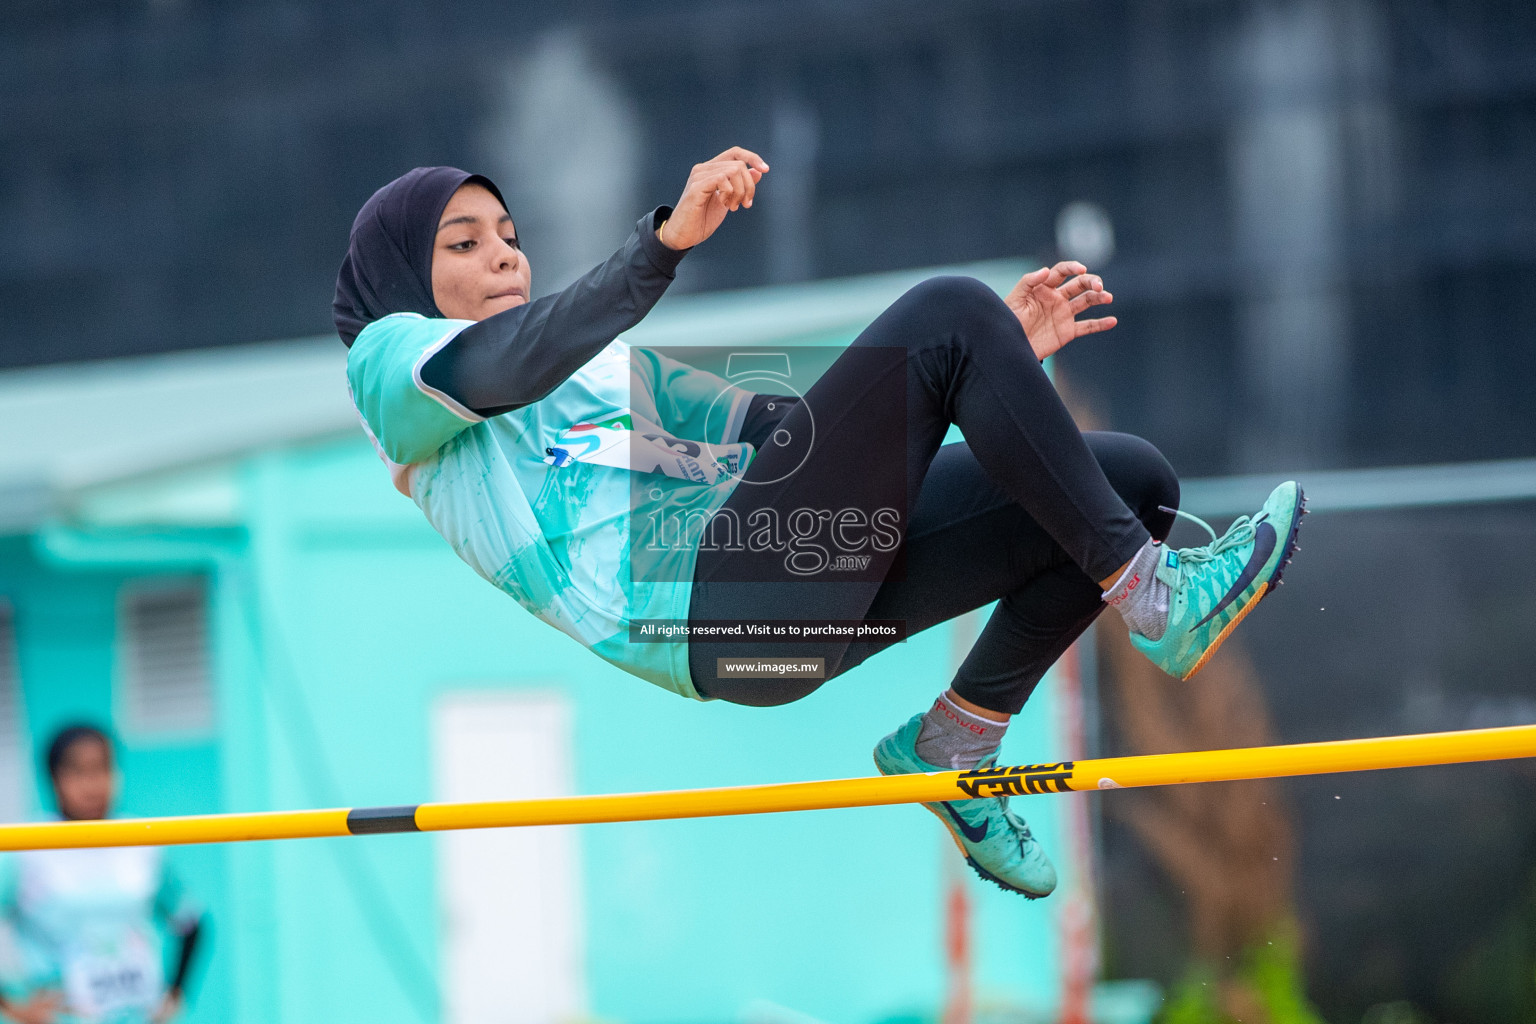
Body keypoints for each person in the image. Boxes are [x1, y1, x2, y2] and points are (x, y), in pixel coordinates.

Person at [334, 147, 1304, 899]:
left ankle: (954, 745)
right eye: (464, 243)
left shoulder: (590, 373)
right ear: (405, 280)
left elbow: (787, 440)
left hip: (779, 583)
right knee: (948, 312)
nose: (503, 251)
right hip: (714, 607)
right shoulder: (392, 366)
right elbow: (506, 363)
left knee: (1125, 480)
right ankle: (1157, 600)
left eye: (507, 232)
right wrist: (661, 243)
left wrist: (994, 371)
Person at [0, 726, 204, 1024]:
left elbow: (192, 922)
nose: (93, 784)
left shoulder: (141, 841)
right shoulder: (26, 847)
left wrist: (175, 994)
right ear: (54, 778)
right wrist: (11, 1004)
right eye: (78, 771)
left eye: (102, 768)